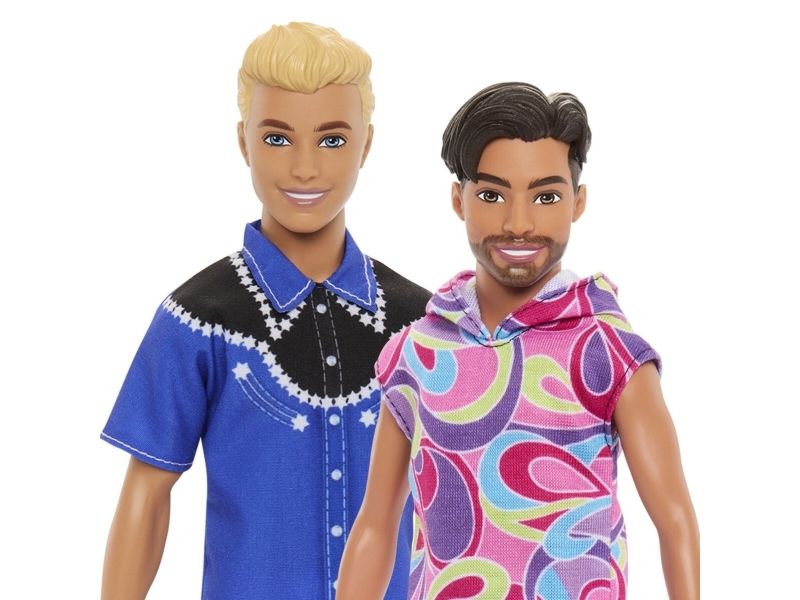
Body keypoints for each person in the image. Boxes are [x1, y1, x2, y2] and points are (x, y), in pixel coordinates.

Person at [101, 22, 429, 600]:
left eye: (332, 140)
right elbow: (147, 497)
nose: (304, 168)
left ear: (366, 145)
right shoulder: (197, 320)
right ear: (243, 141)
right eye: (278, 138)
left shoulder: (421, 322)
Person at [338, 82, 699, 599]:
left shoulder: (607, 350)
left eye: (546, 196)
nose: (519, 223)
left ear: (577, 203)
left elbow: (674, 518)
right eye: (492, 195)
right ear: (459, 200)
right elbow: (376, 526)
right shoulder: (418, 354)